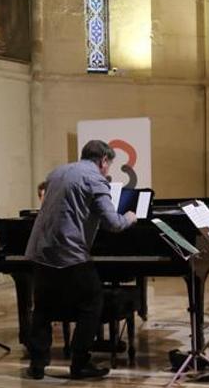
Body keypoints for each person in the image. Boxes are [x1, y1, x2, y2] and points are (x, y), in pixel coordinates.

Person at [24, 140, 138, 380]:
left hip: (41, 250)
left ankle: (37, 364)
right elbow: (113, 223)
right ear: (104, 161)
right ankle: (80, 363)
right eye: (108, 165)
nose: (107, 170)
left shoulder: (57, 172)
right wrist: (130, 217)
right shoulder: (95, 179)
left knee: (43, 308)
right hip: (69, 252)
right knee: (92, 300)